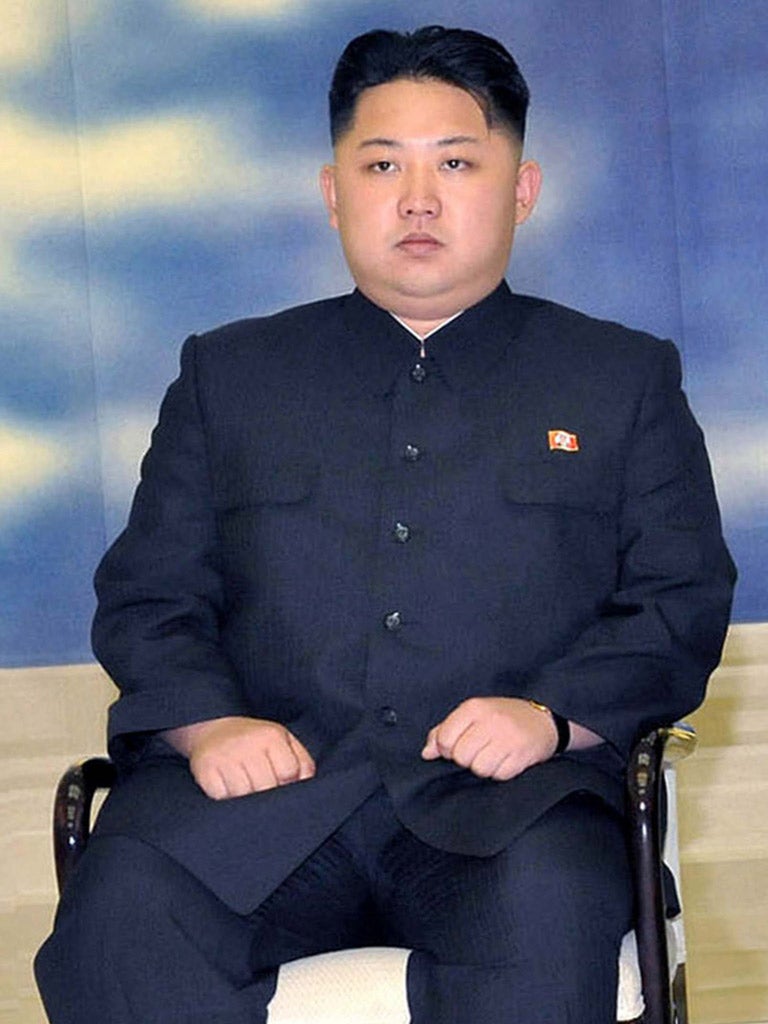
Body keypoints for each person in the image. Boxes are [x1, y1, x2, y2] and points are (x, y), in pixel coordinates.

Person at [35, 25, 735, 1024]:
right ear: (333, 193)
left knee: (546, 931)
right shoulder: (228, 377)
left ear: (522, 189)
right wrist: (209, 722)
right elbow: (151, 598)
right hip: (252, 808)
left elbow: (678, 600)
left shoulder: (619, 379)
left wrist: (549, 716)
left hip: (515, 816)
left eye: (456, 161)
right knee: (119, 927)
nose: (418, 199)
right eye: (381, 165)